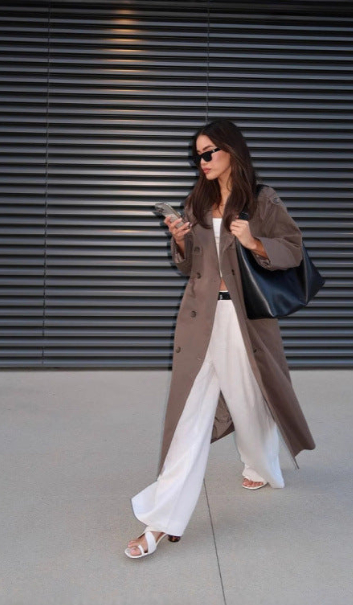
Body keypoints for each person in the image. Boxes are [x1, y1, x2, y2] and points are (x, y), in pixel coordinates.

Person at [125, 118, 315, 559]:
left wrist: (255, 241)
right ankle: (161, 522)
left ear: (232, 150)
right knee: (188, 417)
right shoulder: (197, 200)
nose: (203, 160)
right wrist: (180, 242)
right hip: (200, 319)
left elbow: (293, 249)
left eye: (209, 152)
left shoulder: (261, 200)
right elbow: (189, 266)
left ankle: (261, 466)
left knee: (250, 401)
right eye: (198, 154)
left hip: (244, 319)